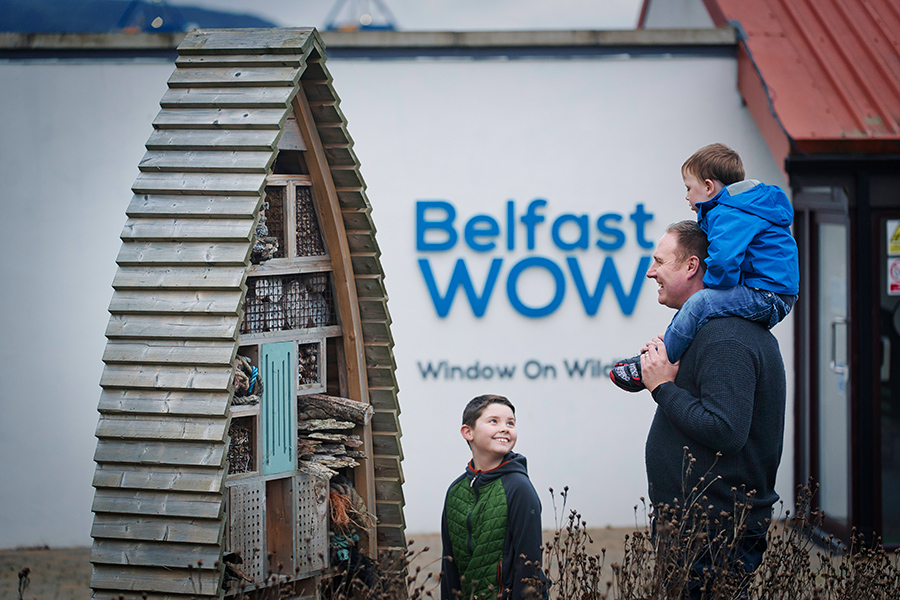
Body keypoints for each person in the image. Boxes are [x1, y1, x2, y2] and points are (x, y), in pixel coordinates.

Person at [640, 221, 787, 597]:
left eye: (659, 262)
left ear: (691, 267)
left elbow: (725, 430)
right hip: (700, 525)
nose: (650, 271)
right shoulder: (711, 330)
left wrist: (663, 388)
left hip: (712, 531)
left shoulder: (727, 338)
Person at [610, 143, 799, 392]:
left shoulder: (730, 212)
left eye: (689, 188)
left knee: (703, 302)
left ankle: (659, 362)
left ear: (709, 187)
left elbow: (722, 261)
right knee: (700, 305)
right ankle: (662, 350)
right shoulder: (739, 209)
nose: (687, 196)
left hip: (767, 295)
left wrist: (713, 288)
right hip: (768, 291)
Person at [440, 394, 548, 600]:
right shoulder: (456, 491)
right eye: (494, 421)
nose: (505, 428)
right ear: (467, 432)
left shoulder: (519, 488)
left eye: (511, 423)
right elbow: (449, 567)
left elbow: (529, 566)